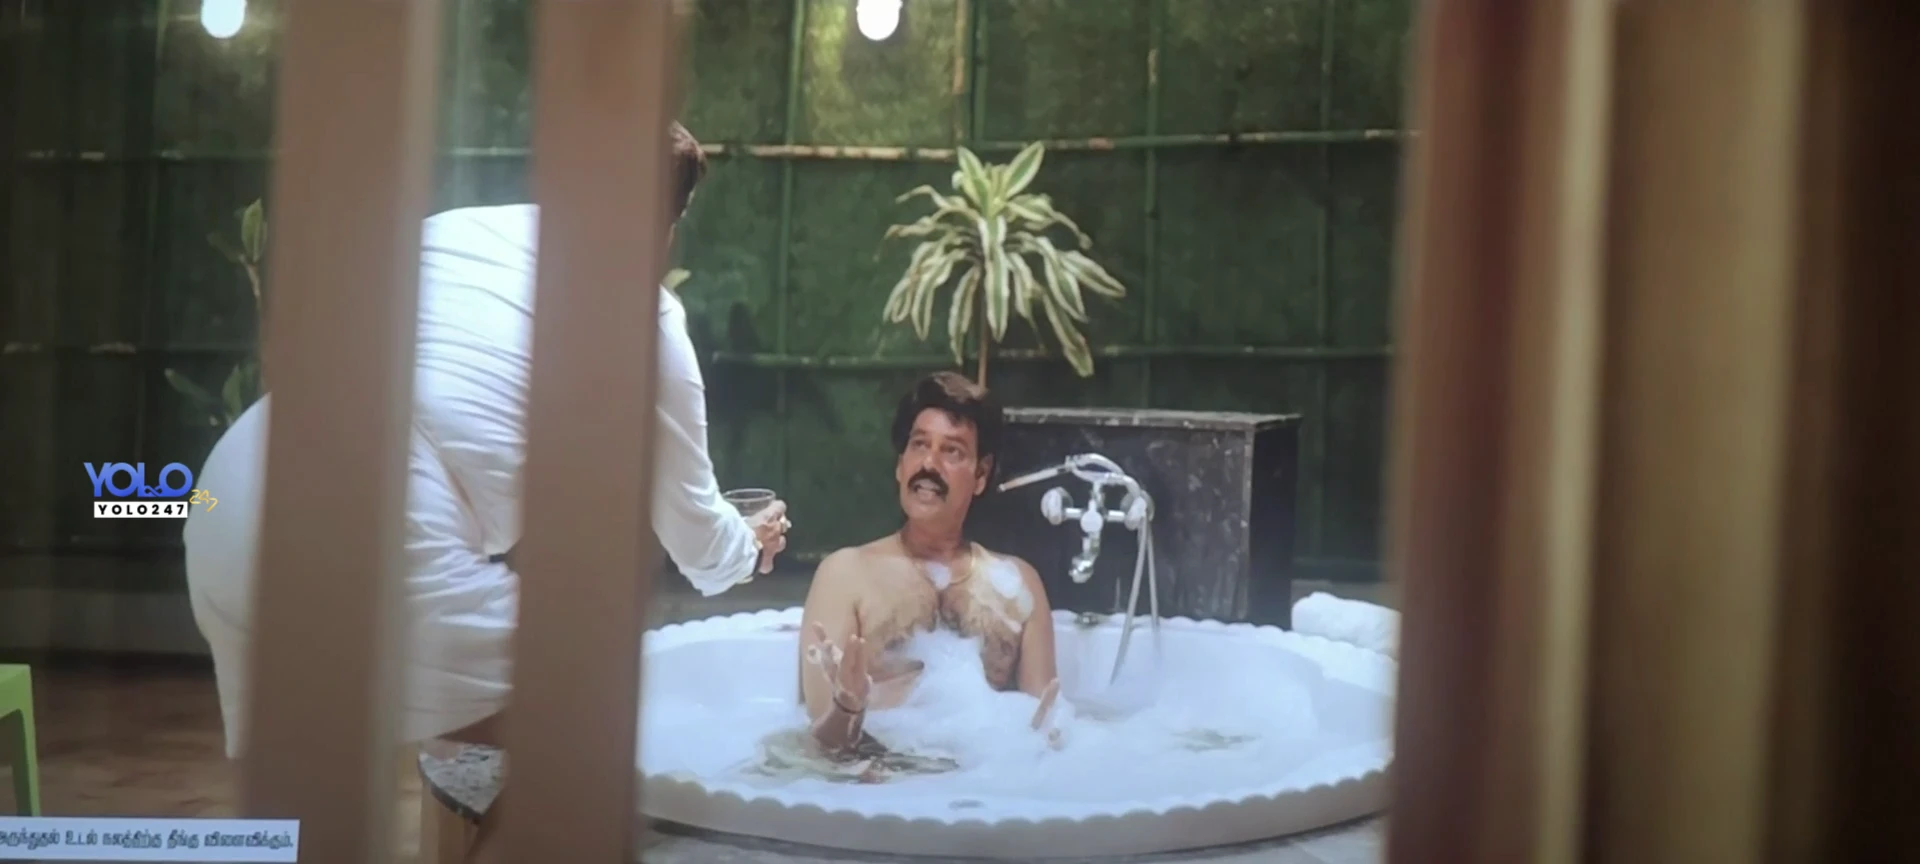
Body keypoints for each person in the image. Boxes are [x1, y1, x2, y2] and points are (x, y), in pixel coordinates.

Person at [181, 122, 782, 862]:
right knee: (583, 728)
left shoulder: (455, 233)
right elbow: (701, 545)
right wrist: (748, 546)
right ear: (670, 223)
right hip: (387, 529)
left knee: (303, 800)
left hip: (235, 489)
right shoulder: (644, 317)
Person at [797, 372, 1064, 760]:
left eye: (951, 451)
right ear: (900, 465)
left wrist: (1040, 742)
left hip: (986, 780)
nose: (928, 464)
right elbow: (820, 746)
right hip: (875, 782)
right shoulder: (845, 575)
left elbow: (1047, 730)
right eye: (919, 445)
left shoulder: (1019, 587)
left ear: (980, 475)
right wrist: (847, 708)